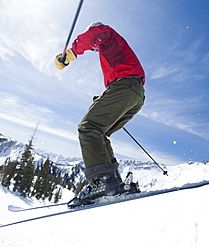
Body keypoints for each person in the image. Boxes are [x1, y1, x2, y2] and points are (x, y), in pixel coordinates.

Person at [55, 22, 145, 205]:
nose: (95, 49)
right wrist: (107, 97)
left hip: (125, 87)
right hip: (134, 92)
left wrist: (71, 54)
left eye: (94, 47)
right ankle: (113, 182)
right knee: (100, 133)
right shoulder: (113, 49)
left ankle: (102, 181)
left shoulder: (106, 33)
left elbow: (97, 33)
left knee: (88, 128)